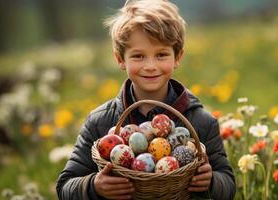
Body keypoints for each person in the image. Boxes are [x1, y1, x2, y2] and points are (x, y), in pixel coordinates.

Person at [56, 0, 236, 199]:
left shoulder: (201, 122)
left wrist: (211, 181)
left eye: (161, 55)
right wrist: (93, 186)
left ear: (177, 57)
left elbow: (228, 185)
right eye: (139, 56)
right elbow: (65, 187)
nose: (150, 66)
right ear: (120, 59)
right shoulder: (100, 122)